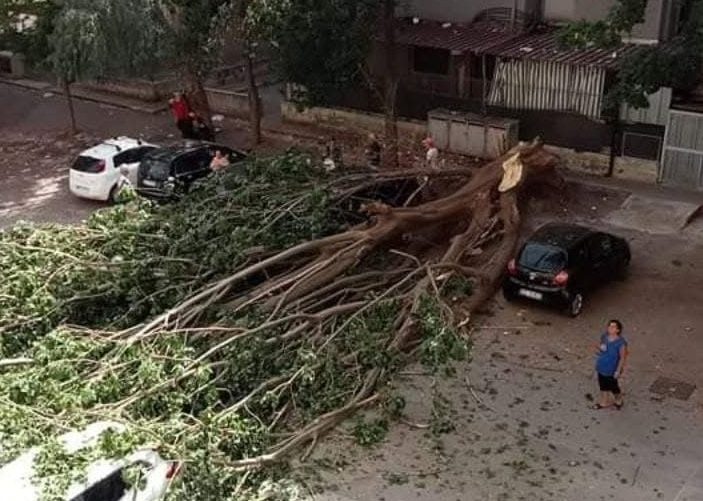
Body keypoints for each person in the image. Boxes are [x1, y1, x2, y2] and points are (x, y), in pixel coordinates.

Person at [594, 319, 629, 410]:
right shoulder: (605, 337)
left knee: (613, 386)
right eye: (609, 326)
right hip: (602, 364)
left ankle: (618, 399)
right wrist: (600, 347)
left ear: (618, 330)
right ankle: (604, 401)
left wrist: (618, 370)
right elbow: (600, 346)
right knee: (602, 384)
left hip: (612, 368)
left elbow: (622, 357)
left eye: (613, 326)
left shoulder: (621, 343)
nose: (610, 328)